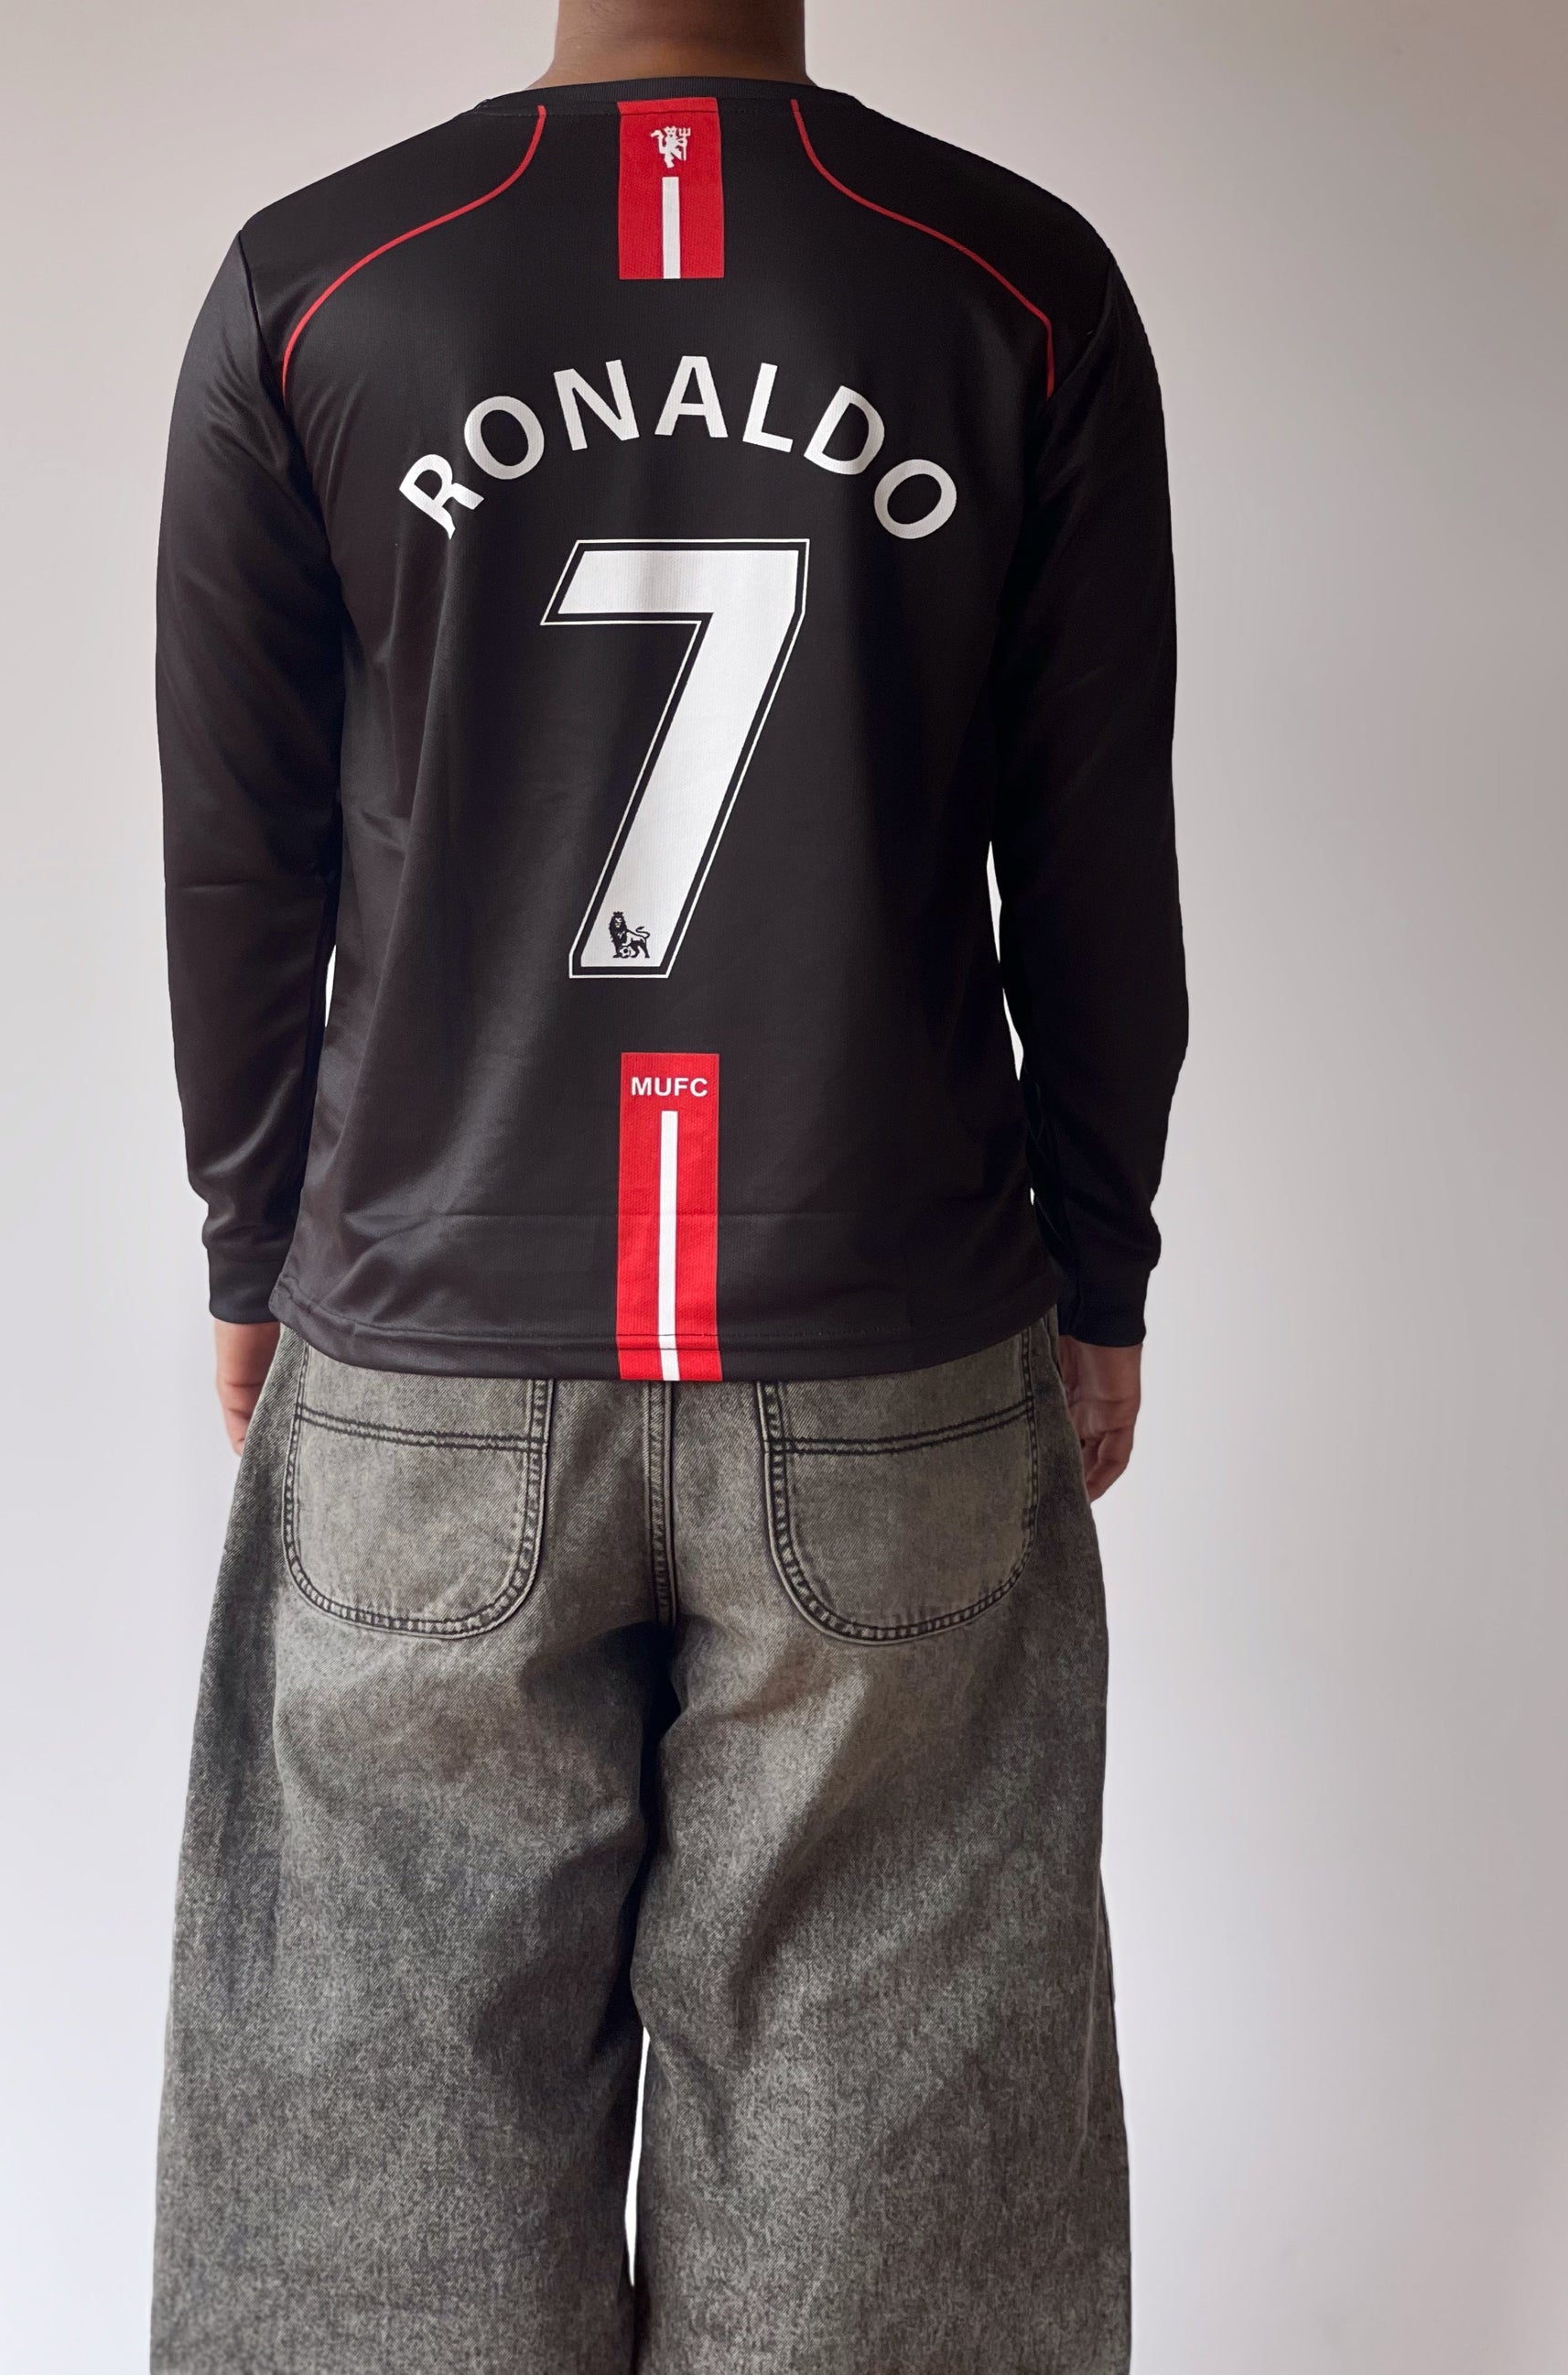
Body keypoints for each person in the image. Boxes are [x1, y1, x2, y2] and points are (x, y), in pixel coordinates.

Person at [151, 0, 1185, 2364]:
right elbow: (1093, 859)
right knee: (889, 2213)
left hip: (428, 1336)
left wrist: (250, 1239)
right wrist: (1102, 1267)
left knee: (374, 2203)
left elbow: (239, 850)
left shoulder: (321, 283)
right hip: (897, 1347)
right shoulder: (1013, 285)